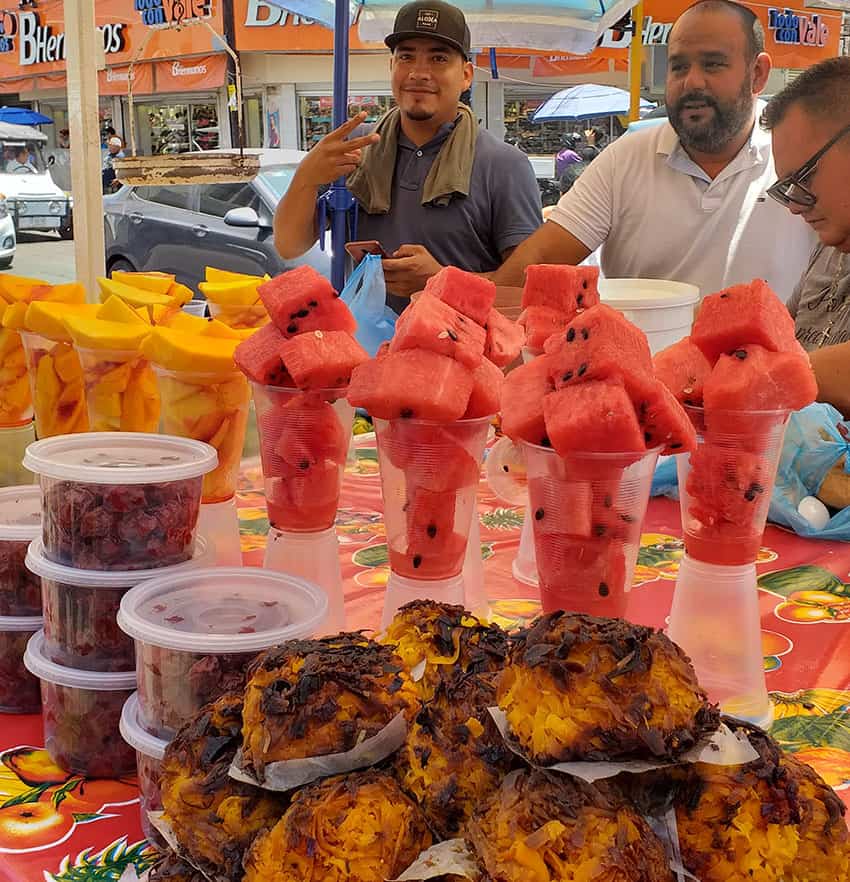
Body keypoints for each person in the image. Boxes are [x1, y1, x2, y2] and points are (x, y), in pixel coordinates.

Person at [492, 0, 816, 303]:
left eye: (713, 65)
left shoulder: (803, 155)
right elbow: (538, 262)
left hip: (780, 362)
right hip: (640, 360)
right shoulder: (624, 159)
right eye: (678, 67)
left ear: (757, 73)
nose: (692, 82)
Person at [273, 0, 542, 311]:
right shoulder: (354, 148)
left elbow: (527, 286)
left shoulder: (505, 165)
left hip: (461, 351)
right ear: (391, 67)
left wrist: (442, 282)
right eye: (406, 57)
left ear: (466, 75)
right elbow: (289, 245)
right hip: (366, 347)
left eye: (439, 58)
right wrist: (306, 177)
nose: (418, 72)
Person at [762, 57, 850, 415]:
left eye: (805, 178)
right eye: (787, 188)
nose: (795, 207)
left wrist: (758, 377)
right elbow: (775, 341)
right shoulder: (829, 250)